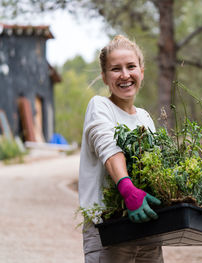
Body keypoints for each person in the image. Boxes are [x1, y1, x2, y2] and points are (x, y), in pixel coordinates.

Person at [78, 35, 164, 263]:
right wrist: (127, 189)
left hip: (147, 229)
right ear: (105, 77)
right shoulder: (100, 106)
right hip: (110, 228)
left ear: (142, 72)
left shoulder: (145, 117)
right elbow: (109, 147)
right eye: (116, 69)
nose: (125, 75)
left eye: (131, 67)